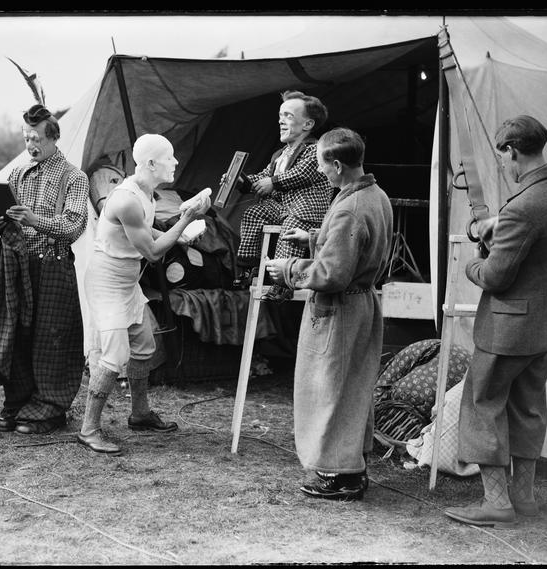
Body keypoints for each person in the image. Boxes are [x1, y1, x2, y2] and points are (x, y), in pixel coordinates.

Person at [444, 115, 547, 528]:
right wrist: (500, 227)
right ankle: (523, 498)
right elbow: (540, 244)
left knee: (482, 405)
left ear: (512, 151)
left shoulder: (523, 206)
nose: (503, 164)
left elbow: (494, 277)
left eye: (502, 156)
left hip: (509, 328)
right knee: (528, 407)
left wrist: (476, 262)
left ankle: (496, 503)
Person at [265, 128, 393, 501]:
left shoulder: (349, 209)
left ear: (337, 165)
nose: (321, 173)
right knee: (353, 388)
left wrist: (289, 269)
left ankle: (341, 475)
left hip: (339, 310)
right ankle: (352, 464)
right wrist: (317, 238)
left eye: (322, 166)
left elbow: (330, 275)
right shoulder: (375, 194)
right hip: (363, 304)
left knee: (330, 390)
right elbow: (358, 243)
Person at [78, 134, 210, 455]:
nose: (176, 162)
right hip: (107, 284)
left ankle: (139, 414)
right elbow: (152, 253)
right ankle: (89, 429)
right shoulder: (125, 199)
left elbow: (146, 229)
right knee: (113, 358)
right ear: (151, 164)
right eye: (170, 157)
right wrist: (185, 221)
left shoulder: (147, 192)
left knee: (144, 346)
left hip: (126, 283)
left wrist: (179, 235)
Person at [0, 104, 89, 435]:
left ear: (53, 137)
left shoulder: (74, 176)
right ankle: (16, 404)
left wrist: (33, 219)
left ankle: (49, 407)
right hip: (19, 264)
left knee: (52, 338)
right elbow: (9, 223)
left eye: (36, 138)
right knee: (19, 335)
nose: (31, 145)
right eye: (26, 138)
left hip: (53, 265)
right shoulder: (17, 175)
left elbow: (74, 226)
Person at [228, 90, 336, 301]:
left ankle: (284, 281)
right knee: (253, 213)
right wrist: (243, 182)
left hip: (304, 210)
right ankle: (249, 268)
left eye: (288, 116)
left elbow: (301, 173)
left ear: (307, 125)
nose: (281, 121)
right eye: (280, 116)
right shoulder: (280, 154)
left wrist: (273, 182)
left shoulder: (315, 149)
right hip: (281, 207)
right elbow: (264, 176)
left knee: (289, 233)